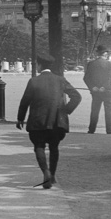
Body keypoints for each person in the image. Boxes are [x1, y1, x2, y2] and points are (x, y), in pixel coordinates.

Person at [17, 55, 82, 188]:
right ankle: (52, 174)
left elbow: (25, 102)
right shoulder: (60, 80)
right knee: (54, 147)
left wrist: (20, 119)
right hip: (56, 121)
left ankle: (45, 172)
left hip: (37, 121)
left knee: (39, 147)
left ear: (39, 65)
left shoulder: (33, 81)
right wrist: (66, 111)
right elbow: (76, 96)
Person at [83, 45, 111, 134]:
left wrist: (92, 87)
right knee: (108, 111)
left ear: (98, 53)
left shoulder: (91, 63)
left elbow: (86, 78)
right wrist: (104, 87)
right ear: (105, 53)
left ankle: (91, 129)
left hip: (95, 92)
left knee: (95, 110)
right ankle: (110, 129)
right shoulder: (109, 64)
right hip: (107, 91)